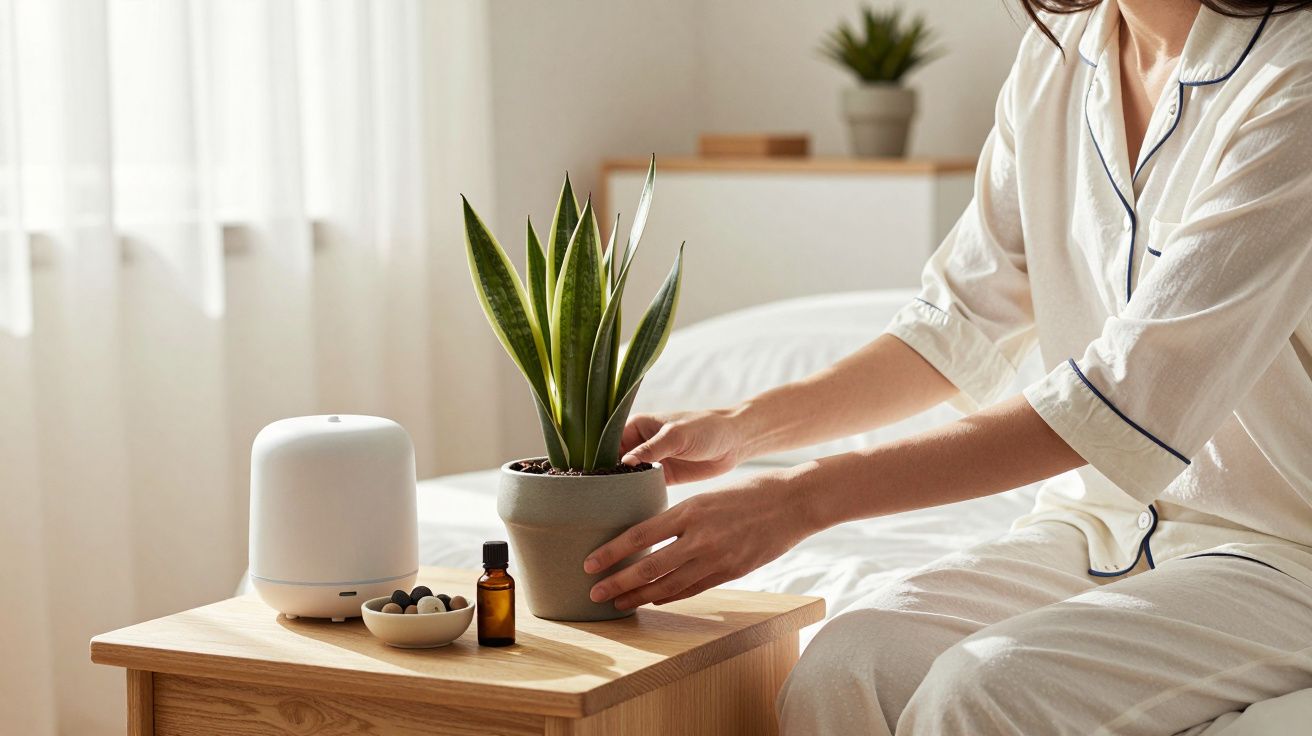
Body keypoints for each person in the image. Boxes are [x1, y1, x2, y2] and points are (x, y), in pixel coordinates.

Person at [581, 1, 1312, 733]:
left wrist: (800, 500)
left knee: (981, 691)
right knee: (845, 666)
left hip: (1281, 554)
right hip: (1097, 526)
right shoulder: (1055, 57)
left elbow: (1122, 396)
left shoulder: (1295, 74)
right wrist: (743, 428)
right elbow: (956, 326)